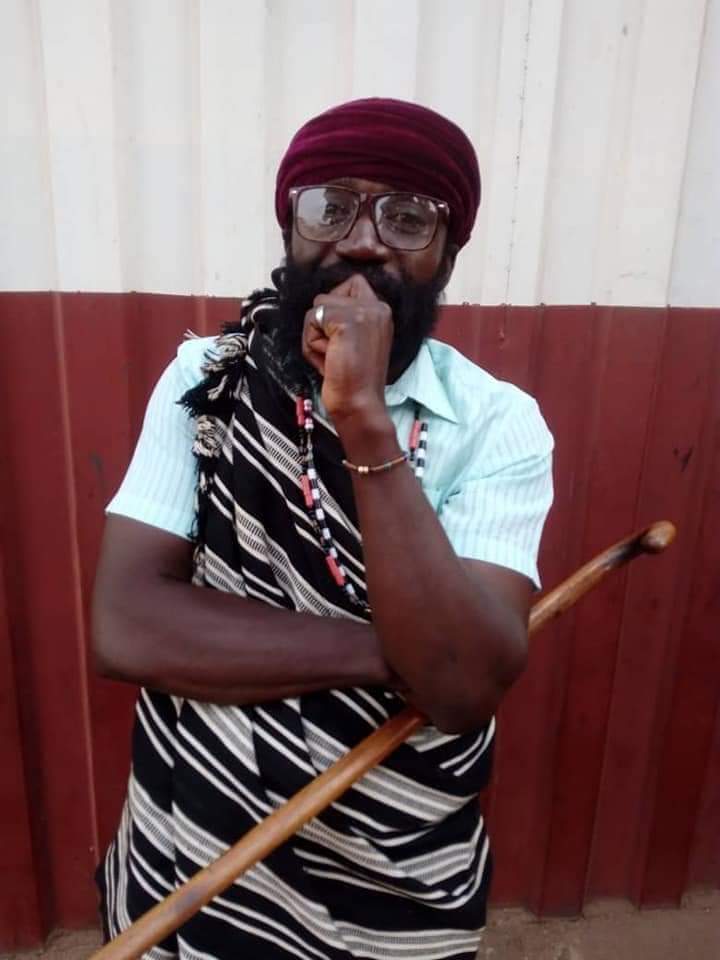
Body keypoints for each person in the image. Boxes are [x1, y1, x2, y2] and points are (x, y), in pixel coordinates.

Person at [93, 98, 554, 960]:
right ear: (291, 231)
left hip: (394, 871)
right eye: (330, 207)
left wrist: (364, 419)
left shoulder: (498, 425)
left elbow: (459, 693)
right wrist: (398, 655)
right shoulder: (208, 380)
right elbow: (127, 626)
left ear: (449, 254)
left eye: (407, 218)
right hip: (199, 844)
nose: (363, 242)